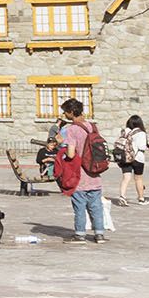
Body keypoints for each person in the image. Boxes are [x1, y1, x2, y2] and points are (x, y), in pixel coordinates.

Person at [56, 97, 108, 241]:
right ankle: (99, 234)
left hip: (79, 176)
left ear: (72, 112)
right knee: (96, 207)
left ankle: (80, 235)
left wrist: (62, 144)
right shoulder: (92, 126)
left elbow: (71, 154)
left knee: (79, 207)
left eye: (65, 112)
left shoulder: (72, 130)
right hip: (95, 173)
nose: (64, 115)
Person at [113, 115, 149, 206]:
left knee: (126, 177)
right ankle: (141, 199)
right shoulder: (141, 133)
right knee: (138, 178)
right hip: (138, 158)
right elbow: (142, 147)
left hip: (125, 157)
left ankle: (122, 196)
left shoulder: (125, 131)